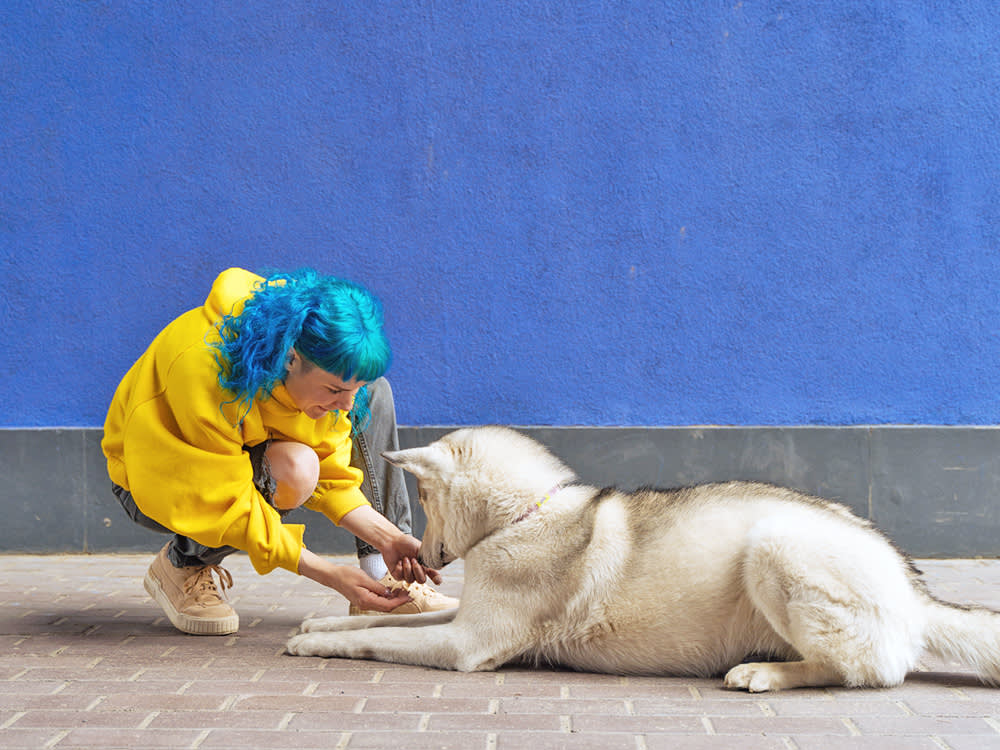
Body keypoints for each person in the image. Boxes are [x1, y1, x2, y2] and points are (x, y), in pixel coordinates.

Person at [101, 267, 457, 635]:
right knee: (295, 470)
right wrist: (329, 574)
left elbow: (332, 477)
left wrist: (389, 539)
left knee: (374, 391)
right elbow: (225, 500)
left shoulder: (314, 372)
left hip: (242, 459)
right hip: (154, 481)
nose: (346, 404)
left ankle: (385, 581)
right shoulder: (203, 371)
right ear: (291, 358)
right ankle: (183, 563)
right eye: (334, 390)